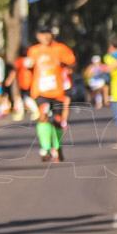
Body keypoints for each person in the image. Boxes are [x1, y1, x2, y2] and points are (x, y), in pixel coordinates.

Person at [26, 24, 76, 162]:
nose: (45, 37)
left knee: (57, 121)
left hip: (58, 90)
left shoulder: (60, 48)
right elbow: (30, 68)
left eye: (47, 33)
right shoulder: (33, 51)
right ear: (38, 36)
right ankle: (45, 147)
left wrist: (67, 66)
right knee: (43, 116)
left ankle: (57, 146)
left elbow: (72, 62)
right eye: (42, 34)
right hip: (41, 91)